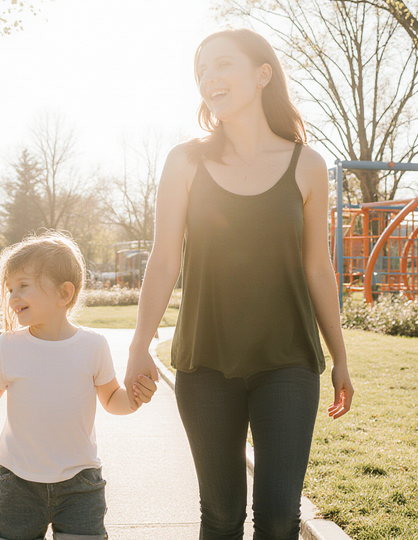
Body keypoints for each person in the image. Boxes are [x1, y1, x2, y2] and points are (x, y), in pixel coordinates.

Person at [123, 28, 356, 540]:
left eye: (223, 64)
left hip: (289, 362)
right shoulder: (185, 161)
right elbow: (163, 261)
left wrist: (339, 357)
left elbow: (319, 268)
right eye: (202, 70)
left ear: (262, 74)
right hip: (205, 363)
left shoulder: (308, 165)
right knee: (222, 515)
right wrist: (140, 345)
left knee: (277, 517)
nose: (209, 78)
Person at [0, 232, 157, 540]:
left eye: (24, 286)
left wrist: (135, 398)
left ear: (64, 293)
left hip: (81, 483)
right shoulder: (9, 346)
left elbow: (112, 398)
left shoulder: (93, 346)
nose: (13, 297)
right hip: (18, 484)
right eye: (10, 289)